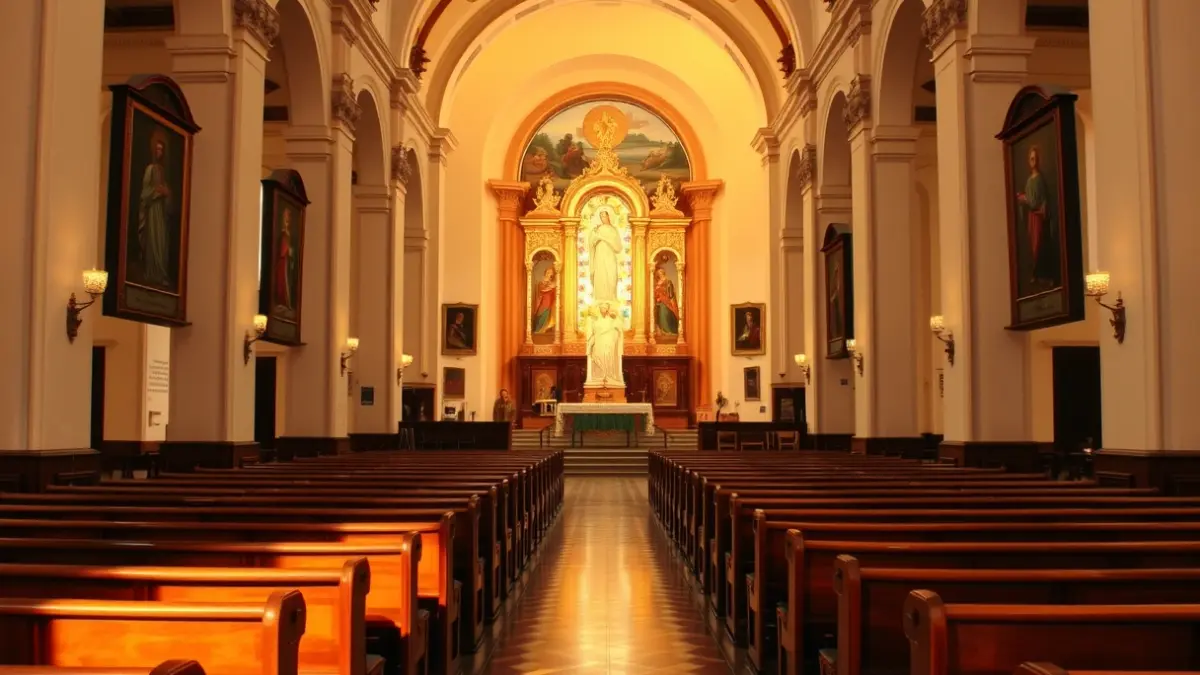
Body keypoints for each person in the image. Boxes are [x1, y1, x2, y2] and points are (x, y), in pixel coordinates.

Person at [1017, 145, 1057, 289]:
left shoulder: (1040, 179)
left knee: (1039, 243)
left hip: (1039, 216)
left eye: (1036, 159)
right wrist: (1023, 200)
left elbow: (1040, 200)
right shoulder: (1029, 181)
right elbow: (1028, 200)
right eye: (1031, 159)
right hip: (1032, 218)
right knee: (1033, 245)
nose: (1034, 161)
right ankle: (1035, 272)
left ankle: (1042, 273)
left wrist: (1027, 200)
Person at [138, 131, 172, 288]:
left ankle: (160, 274)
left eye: (161, 150)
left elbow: (166, 191)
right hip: (152, 211)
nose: (159, 152)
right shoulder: (150, 169)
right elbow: (145, 192)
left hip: (160, 211)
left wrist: (166, 193)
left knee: (161, 242)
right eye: (157, 149)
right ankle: (152, 273)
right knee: (153, 241)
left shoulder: (162, 171)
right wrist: (157, 193)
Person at [588, 209, 622, 302]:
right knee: (601, 274)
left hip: (610, 254)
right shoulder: (598, 229)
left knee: (611, 275)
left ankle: (611, 297)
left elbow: (618, 247)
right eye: (601, 216)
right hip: (599, 254)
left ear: (608, 216)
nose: (602, 218)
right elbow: (591, 242)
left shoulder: (614, 230)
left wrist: (603, 238)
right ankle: (600, 298)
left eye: (604, 216)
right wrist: (594, 237)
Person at [586, 302, 623, 384]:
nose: (603, 310)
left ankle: (609, 376)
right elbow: (593, 333)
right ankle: (600, 376)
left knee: (608, 356)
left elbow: (618, 329)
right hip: (599, 342)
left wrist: (615, 318)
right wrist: (589, 344)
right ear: (599, 309)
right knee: (598, 356)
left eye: (605, 308)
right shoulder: (594, 320)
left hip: (609, 343)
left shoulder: (611, 319)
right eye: (602, 308)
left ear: (607, 310)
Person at [653, 266, 679, 336]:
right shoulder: (658, 282)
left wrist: (664, 296)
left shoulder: (668, 281)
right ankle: (662, 330)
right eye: (659, 273)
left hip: (666, 301)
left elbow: (670, 293)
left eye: (661, 273)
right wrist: (657, 296)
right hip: (659, 301)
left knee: (664, 313)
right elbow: (655, 291)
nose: (660, 274)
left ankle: (668, 330)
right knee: (658, 314)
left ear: (663, 273)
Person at [532, 266, 557, 334]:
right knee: (540, 314)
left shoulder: (553, 283)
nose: (549, 274)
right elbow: (541, 290)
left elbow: (555, 291)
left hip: (550, 301)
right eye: (548, 272)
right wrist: (547, 284)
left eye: (551, 273)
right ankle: (538, 329)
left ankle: (544, 329)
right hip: (543, 301)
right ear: (545, 273)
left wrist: (552, 286)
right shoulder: (542, 282)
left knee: (547, 314)